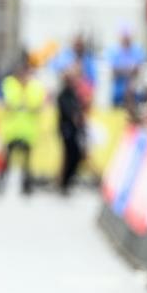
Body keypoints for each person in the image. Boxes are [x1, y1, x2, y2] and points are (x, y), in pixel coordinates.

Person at [0, 60, 46, 195]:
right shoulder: (9, 85)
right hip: (12, 129)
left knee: (26, 162)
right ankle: (1, 185)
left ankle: (26, 187)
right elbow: (7, 104)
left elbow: (37, 106)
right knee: (7, 161)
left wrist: (23, 104)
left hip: (28, 130)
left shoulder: (35, 87)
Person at [57, 64, 86, 195]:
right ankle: (63, 183)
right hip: (66, 130)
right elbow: (68, 112)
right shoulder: (63, 95)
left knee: (76, 155)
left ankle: (67, 181)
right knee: (69, 156)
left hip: (74, 130)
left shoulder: (74, 94)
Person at [107, 27, 146, 108]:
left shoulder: (138, 50)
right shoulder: (113, 50)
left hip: (135, 92)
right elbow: (114, 71)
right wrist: (129, 69)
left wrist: (122, 69)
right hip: (118, 92)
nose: (126, 40)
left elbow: (138, 70)